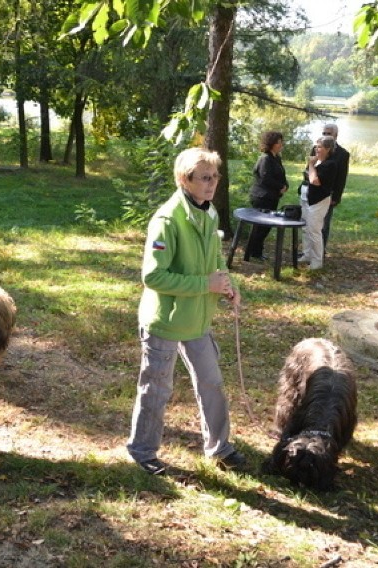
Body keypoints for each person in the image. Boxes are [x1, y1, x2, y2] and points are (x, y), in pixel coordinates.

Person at [126, 147, 246, 476]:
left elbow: (216, 263)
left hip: (198, 321)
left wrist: (227, 287)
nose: (213, 183)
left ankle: (219, 448)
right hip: (164, 321)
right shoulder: (167, 219)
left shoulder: (209, 213)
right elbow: (152, 276)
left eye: (216, 177)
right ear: (185, 179)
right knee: (156, 389)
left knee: (212, 384)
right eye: (205, 178)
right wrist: (204, 285)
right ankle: (142, 451)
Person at [245, 131, 288, 261]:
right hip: (262, 197)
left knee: (266, 226)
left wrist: (286, 185)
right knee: (260, 226)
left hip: (272, 197)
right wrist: (279, 187)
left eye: (281, 142)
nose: (281, 145)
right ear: (272, 144)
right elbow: (265, 178)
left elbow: (281, 175)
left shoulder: (277, 158)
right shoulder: (265, 158)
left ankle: (257, 251)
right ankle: (253, 252)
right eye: (279, 142)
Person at [299, 136, 338, 270]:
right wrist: (312, 164)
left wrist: (310, 165)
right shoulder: (318, 162)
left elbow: (314, 180)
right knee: (306, 228)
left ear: (328, 149)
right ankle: (307, 254)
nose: (317, 149)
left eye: (320, 147)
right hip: (309, 198)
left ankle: (317, 261)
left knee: (314, 230)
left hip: (319, 200)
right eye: (316, 146)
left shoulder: (330, 164)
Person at [319, 123, 350, 254]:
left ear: (336, 136)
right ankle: (309, 250)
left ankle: (320, 251)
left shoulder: (343, 154)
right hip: (314, 192)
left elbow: (342, 178)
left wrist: (336, 197)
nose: (326, 136)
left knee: (324, 225)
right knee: (311, 224)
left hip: (329, 194)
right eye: (324, 133)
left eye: (329, 134)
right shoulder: (316, 149)